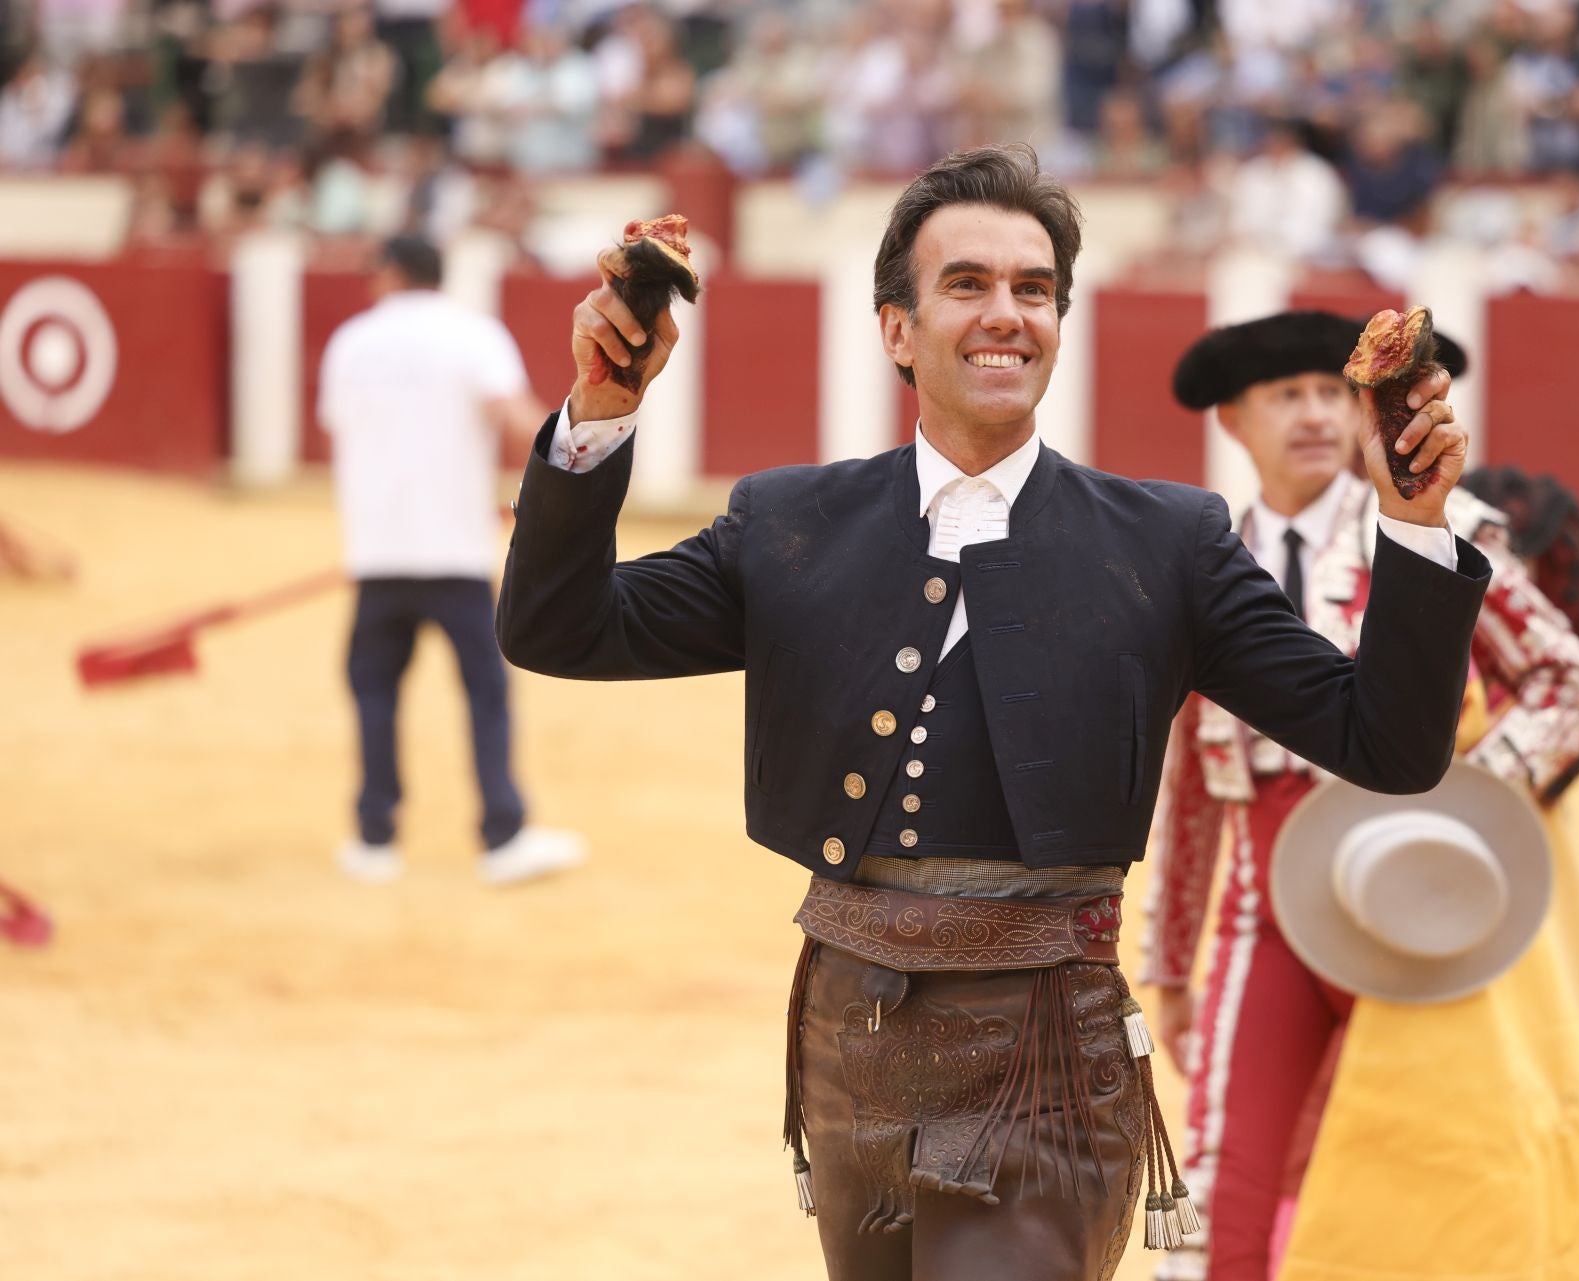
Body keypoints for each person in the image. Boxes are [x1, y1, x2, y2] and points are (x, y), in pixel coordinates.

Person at [495, 144, 1489, 1281]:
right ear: (897, 330)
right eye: (966, 284)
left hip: (1051, 1057)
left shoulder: (1168, 544)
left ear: (1060, 324)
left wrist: (1413, 528)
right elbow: (558, 631)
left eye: (1033, 289)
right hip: (851, 1038)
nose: (1005, 313)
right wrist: (599, 415)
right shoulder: (788, 522)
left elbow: (1389, 745)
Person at [1140, 311, 1579, 1281]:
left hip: (1424, 913)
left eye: (1328, 394)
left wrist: (1464, 813)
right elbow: (1190, 785)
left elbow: (1574, 680)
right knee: (1226, 1170)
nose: (1310, 416)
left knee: (1434, 1167)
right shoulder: (1198, 557)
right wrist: (1171, 966)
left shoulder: (1444, 529)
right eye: (1282, 395)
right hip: (1266, 918)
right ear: (1233, 421)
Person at [319, 235, 584, 886]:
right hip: (456, 551)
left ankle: (374, 839)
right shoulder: (472, 335)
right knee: (485, 692)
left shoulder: (351, 342)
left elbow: (342, 432)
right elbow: (516, 418)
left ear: (389, 273)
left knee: (375, 691)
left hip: (377, 552)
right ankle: (502, 836)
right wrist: (577, 464)